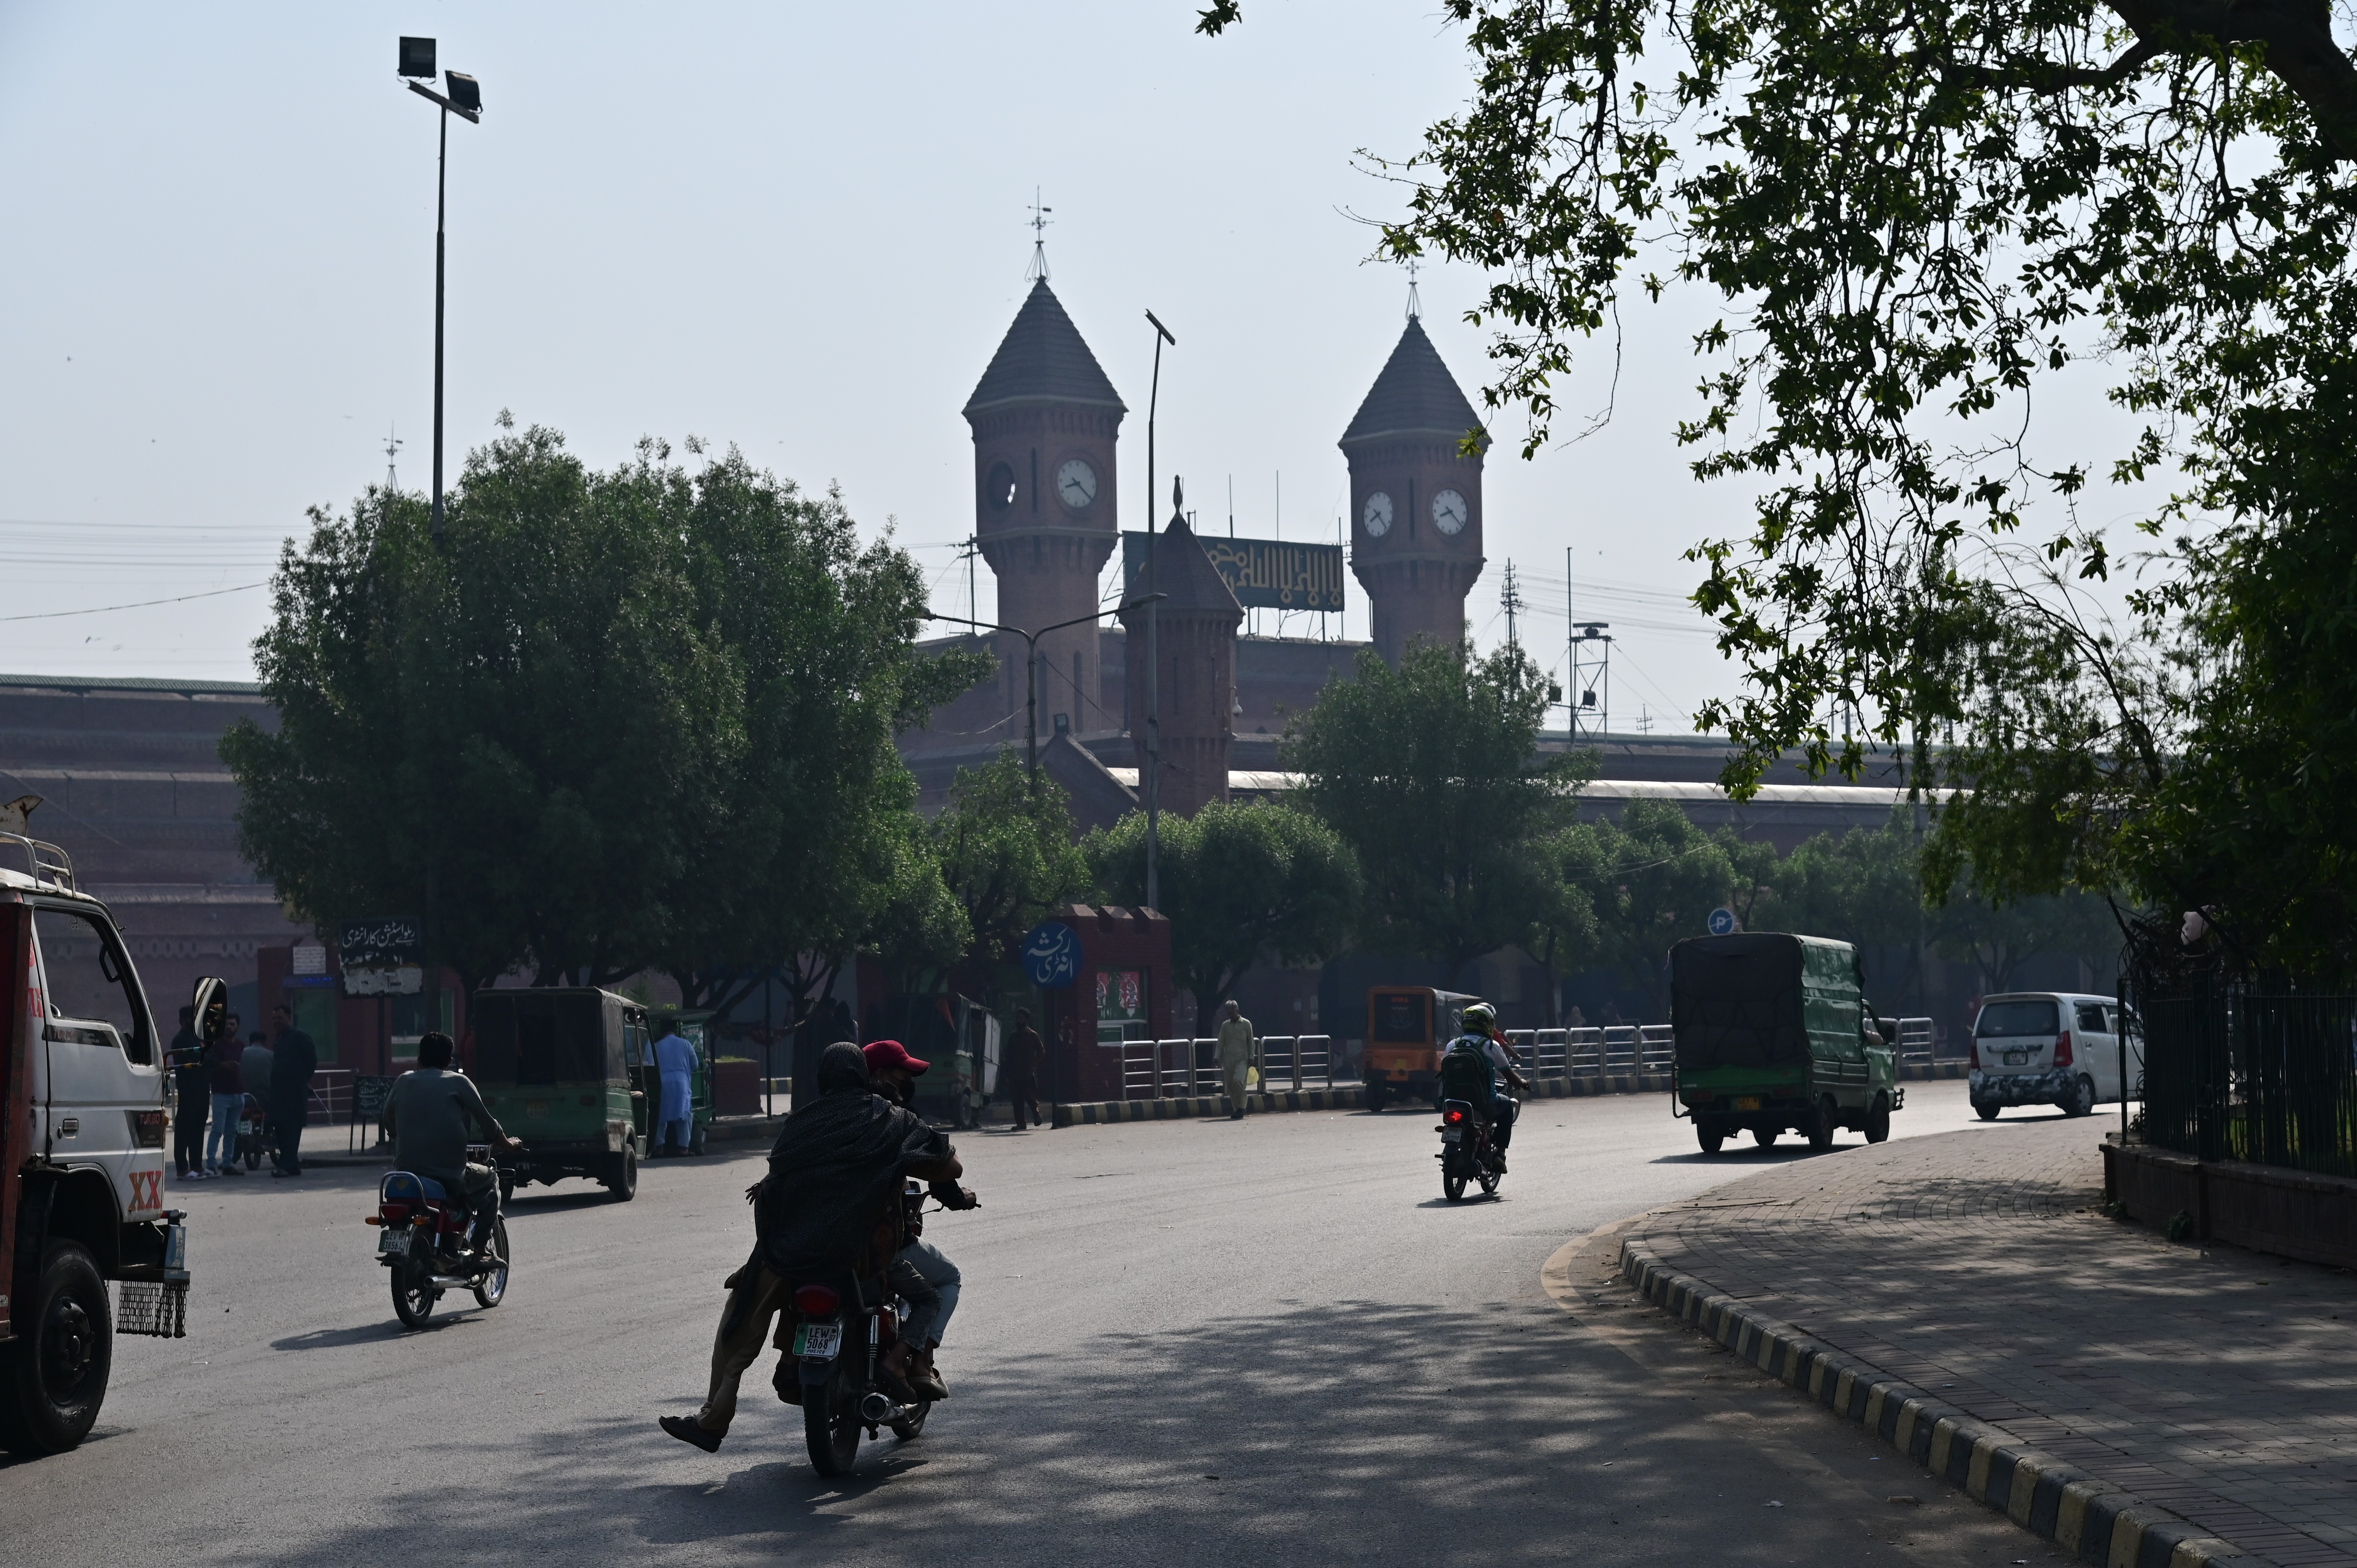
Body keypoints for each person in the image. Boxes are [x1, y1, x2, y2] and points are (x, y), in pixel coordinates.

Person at [659, 1042, 965, 1453]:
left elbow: (776, 1184)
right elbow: (949, 1167)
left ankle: (712, 1420)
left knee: (739, 1317)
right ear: (864, 1075)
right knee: (926, 1295)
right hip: (860, 1257)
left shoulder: (802, 1123)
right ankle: (895, 1363)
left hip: (792, 1254)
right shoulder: (891, 1120)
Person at [861, 1039, 976, 1400]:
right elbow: (942, 1169)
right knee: (946, 1281)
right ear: (880, 1075)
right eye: (904, 1073)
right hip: (877, 1246)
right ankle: (916, 1362)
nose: (909, 1081)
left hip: (819, 1244)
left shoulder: (823, 1118)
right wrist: (960, 1198)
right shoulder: (895, 1119)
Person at [382, 1030, 520, 1258]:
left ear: (419, 1060)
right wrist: (506, 1143)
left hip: (406, 1173)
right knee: (491, 1179)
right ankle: (478, 1248)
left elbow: (388, 1120)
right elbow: (487, 1123)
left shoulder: (403, 1081)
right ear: (449, 1061)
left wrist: (402, 1134)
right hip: (449, 1174)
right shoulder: (459, 1082)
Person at [1439, 1003, 1528, 1171]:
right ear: (1487, 1023)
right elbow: (1510, 1076)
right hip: (1484, 1103)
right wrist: (1522, 1083)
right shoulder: (1490, 1046)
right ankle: (1500, 1155)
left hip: (1453, 1102)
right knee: (1508, 1105)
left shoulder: (1452, 1045)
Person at [268, 1001, 317, 1177]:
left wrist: (301, 1079)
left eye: (279, 1018)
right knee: (281, 1129)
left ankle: (286, 1165)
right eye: (274, 1019)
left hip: (294, 1093)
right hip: (279, 1094)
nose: (276, 1022)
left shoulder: (300, 1037)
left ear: (288, 1018)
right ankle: (292, 1165)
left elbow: (311, 1061)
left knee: (291, 1130)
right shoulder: (279, 1039)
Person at [168, 1004, 207, 1181]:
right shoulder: (181, 1040)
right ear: (183, 1020)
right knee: (184, 1128)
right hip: (188, 1089)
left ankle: (197, 1166)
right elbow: (200, 1058)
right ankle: (182, 1169)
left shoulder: (197, 1038)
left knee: (198, 1127)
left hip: (201, 1087)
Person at [650, 1018, 700, 1157]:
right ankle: (683, 1148)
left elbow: (648, 1063)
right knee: (684, 1116)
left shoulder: (655, 1045)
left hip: (662, 1082)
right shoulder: (685, 1044)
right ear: (676, 1031)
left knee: (660, 1116)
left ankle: (659, 1147)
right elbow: (695, 1064)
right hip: (681, 1082)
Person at [1002, 1008, 1044, 1130]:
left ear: (1026, 1020)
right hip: (1014, 1073)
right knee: (1017, 1101)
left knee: (1031, 1097)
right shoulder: (1013, 1036)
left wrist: (1034, 1063)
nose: (1018, 1020)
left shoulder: (1032, 1035)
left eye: (1021, 1018)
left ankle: (1037, 1114)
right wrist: (1007, 1073)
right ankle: (1021, 1123)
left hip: (1027, 1073)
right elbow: (1008, 1056)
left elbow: (1041, 1050)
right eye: (1017, 1018)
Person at [1216, 1000, 1256, 1120]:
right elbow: (1221, 1042)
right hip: (1228, 1059)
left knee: (1237, 1081)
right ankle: (1237, 1110)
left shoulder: (1246, 1024)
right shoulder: (1225, 1026)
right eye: (1229, 1014)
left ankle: (1242, 1106)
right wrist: (1217, 1057)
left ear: (1238, 1011)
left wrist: (1251, 1057)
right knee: (1230, 1085)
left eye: (1232, 1013)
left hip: (1242, 1059)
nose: (1231, 1016)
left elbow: (1251, 1042)